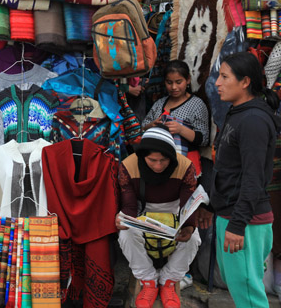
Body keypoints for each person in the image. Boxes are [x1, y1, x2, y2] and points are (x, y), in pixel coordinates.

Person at [198, 52, 280, 307]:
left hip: (245, 221)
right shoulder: (239, 113)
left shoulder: (254, 120)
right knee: (243, 292)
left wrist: (237, 225)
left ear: (245, 82)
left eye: (224, 77)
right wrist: (213, 206)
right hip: (230, 215)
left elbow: (254, 179)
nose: (217, 83)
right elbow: (229, 169)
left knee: (249, 298)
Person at [116, 125, 201, 308]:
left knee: (193, 238)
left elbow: (188, 204)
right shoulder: (128, 166)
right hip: (142, 213)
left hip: (174, 211)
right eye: (152, 160)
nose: (158, 165)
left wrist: (188, 226)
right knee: (126, 234)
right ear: (142, 156)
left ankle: (169, 280)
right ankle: (148, 280)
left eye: (164, 160)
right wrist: (124, 220)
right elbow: (129, 205)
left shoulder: (185, 166)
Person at [142, 60, 209, 175]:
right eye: (169, 82)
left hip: (186, 162)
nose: (174, 87)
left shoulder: (196, 104)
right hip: (158, 163)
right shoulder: (159, 103)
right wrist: (151, 125)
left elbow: (203, 139)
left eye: (179, 82)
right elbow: (142, 127)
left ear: (187, 79)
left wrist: (181, 129)